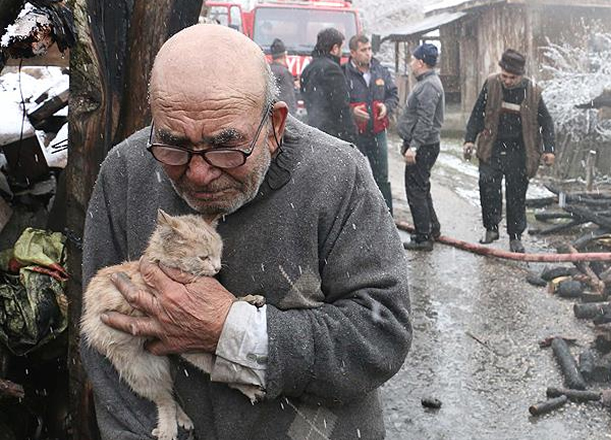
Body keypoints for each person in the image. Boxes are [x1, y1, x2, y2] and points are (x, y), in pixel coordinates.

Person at [80, 24, 411, 440]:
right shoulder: (125, 172)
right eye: (174, 145)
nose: (198, 173)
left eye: (225, 146)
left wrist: (231, 330)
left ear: (274, 125)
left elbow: (382, 335)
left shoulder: (338, 175)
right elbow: (103, 350)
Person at [463, 48, 556, 253]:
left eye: (512, 77)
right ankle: (491, 228)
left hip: (520, 151)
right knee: (487, 185)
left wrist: (549, 149)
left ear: (520, 75)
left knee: (516, 194)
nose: (507, 80)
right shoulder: (491, 84)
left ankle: (515, 236)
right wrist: (470, 139)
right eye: (504, 76)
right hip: (492, 147)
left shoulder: (532, 91)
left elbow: (546, 122)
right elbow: (477, 113)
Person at [396, 43, 444, 251]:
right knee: (422, 187)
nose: (410, 63)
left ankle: (424, 237)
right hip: (423, 144)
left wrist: (414, 146)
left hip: (423, 145)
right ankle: (431, 227)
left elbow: (426, 120)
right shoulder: (427, 83)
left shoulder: (429, 86)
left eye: (413, 59)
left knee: (415, 190)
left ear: (421, 62)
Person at [344, 34, 398, 213]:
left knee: (381, 176)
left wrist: (387, 107)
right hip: (355, 134)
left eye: (369, 49)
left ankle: (386, 215)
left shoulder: (380, 70)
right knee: (354, 177)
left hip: (378, 132)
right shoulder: (344, 73)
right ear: (352, 53)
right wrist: (352, 112)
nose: (368, 54)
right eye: (363, 50)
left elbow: (393, 95)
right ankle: (358, 216)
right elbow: (338, 103)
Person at [300, 28, 355, 142]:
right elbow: (341, 107)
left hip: (314, 132)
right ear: (334, 49)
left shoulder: (308, 69)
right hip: (332, 135)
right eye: (341, 48)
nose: (342, 53)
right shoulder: (332, 69)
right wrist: (352, 138)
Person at [269, 38, 297, 109]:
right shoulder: (284, 73)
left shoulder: (267, 70)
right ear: (285, 55)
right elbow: (289, 98)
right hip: (280, 113)